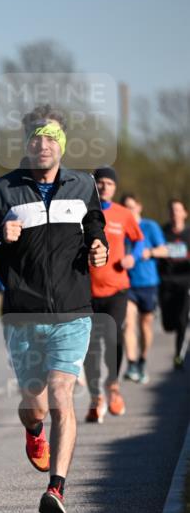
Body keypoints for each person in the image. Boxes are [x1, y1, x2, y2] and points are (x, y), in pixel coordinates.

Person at [0, 105, 107, 513]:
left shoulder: (83, 184)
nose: (43, 144)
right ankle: (33, 430)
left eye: (51, 137)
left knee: (63, 395)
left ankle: (56, 488)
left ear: (62, 143)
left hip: (73, 311)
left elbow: (95, 225)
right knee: (35, 403)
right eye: (35, 138)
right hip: (23, 314)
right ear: (25, 143)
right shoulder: (2, 190)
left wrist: (100, 247)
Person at [83, 167, 144, 421]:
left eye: (109, 183)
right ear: (94, 185)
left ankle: (114, 387)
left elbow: (138, 240)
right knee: (90, 346)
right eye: (101, 182)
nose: (105, 186)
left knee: (113, 336)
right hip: (86, 291)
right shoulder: (81, 212)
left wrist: (133, 256)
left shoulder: (124, 214)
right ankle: (96, 398)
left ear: (115, 188)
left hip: (117, 288)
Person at [120, 193, 168, 384]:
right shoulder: (120, 227)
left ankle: (142, 360)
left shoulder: (150, 226)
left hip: (148, 283)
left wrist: (150, 252)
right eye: (125, 207)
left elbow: (165, 250)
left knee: (145, 325)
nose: (129, 211)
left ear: (139, 207)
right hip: (127, 283)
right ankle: (131, 363)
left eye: (131, 207)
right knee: (129, 323)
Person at [158, 198, 190, 369]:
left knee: (182, 320)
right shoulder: (162, 232)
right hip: (166, 282)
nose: (175, 213)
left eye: (178, 210)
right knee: (168, 325)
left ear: (185, 213)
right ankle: (172, 325)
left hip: (185, 283)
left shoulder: (189, 234)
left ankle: (179, 355)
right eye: (172, 210)